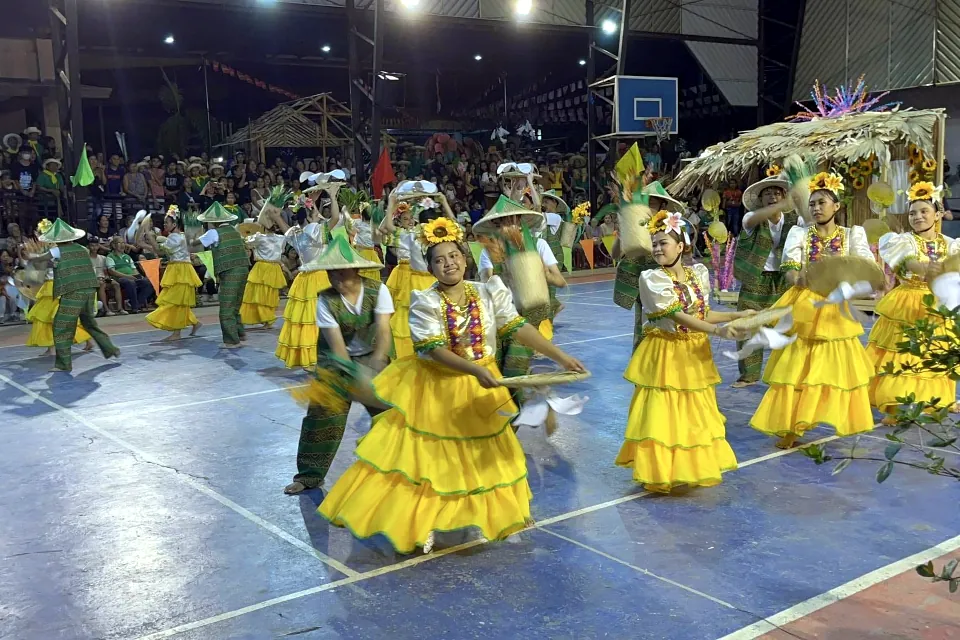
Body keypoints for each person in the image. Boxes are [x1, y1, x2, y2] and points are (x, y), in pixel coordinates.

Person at [318, 220, 585, 554]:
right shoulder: (423, 300)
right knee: (431, 463)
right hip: (438, 388)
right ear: (430, 268)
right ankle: (421, 523)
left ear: (465, 258)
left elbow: (517, 328)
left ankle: (485, 517)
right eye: (439, 259)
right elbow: (432, 348)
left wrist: (560, 356)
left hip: (480, 385)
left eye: (454, 255)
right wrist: (473, 369)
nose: (449, 263)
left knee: (484, 456)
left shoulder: (489, 290)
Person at [616, 211, 752, 491]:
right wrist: (716, 331)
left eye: (662, 243)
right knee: (663, 414)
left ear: (681, 247)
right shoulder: (651, 279)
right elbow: (677, 315)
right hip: (666, 352)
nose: (656, 249)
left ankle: (691, 467)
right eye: (654, 244)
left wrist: (735, 316)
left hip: (694, 351)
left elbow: (703, 313)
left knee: (693, 412)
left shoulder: (697, 275)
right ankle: (661, 470)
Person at [749, 172, 877, 449]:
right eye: (813, 204)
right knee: (796, 368)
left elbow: (864, 270)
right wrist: (803, 278)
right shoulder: (800, 234)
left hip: (835, 308)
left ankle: (831, 416)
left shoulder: (852, 236)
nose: (816, 208)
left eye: (822, 202)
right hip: (805, 303)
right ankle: (791, 426)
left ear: (837, 206)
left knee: (833, 369)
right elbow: (790, 272)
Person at [284, 236, 394, 495]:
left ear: (357, 271)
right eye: (332, 275)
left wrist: (376, 368)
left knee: (391, 414)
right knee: (322, 417)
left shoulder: (379, 290)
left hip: (375, 356)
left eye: (343, 273)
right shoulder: (325, 300)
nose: (337, 280)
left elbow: (384, 333)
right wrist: (356, 379)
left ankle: (397, 469)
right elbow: (339, 351)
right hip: (336, 362)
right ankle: (309, 475)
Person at [866, 181, 960, 421]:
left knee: (934, 353)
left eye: (924, 211)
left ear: (938, 214)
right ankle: (894, 403)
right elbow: (907, 263)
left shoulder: (951, 244)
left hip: (937, 305)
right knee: (901, 354)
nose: (917, 217)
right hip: (907, 302)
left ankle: (936, 400)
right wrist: (927, 268)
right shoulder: (901, 241)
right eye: (912, 213)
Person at [731, 174, 803, 388]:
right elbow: (756, 218)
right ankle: (748, 375)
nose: (773, 197)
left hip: (785, 278)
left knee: (789, 325)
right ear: (761, 201)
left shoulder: (794, 221)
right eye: (768, 194)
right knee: (749, 324)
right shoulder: (750, 218)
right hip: (755, 277)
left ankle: (788, 373)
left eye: (777, 193)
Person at [23, 219, 120, 371]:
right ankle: (110, 348)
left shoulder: (58, 250)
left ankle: (64, 364)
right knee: (89, 323)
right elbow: (64, 264)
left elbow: (42, 259)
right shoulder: (82, 249)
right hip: (89, 290)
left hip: (73, 292)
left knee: (61, 326)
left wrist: (30, 257)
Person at [379, 186, 458, 358]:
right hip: (437, 280)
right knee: (442, 317)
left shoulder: (411, 236)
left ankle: (412, 354)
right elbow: (455, 223)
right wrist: (444, 202)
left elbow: (387, 227)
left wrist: (392, 204)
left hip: (416, 282)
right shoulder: (441, 235)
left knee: (413, 318)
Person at [612, 180, 686, 350]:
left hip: (666, 283)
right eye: (645, 203)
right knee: (643, 324)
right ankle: (642, 362)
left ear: (662, 206)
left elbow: (681, 255)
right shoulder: (633, 228)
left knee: (669, 323)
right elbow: (615, 255)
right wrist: (622, 234)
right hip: (641, 284)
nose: (648, 207)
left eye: (652, 203)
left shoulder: (671, 229)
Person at [276, 183, 341, 367]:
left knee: (305, 319)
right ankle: (321, 354)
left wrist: (312, 202)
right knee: (319, 318)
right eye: (315, 212)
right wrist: (333, 195)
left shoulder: (296, 233)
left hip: (303, 280)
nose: (320, 216)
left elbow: (278, 220)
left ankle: (306, 357)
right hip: (320, 277)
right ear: (311, 215)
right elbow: (335, 217)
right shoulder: (316, 231)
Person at [192, 202, 250, 348]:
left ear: (213, 221)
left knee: (226, 308)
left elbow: (194, 243)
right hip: (243, 269)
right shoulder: (234, 230)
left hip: (230, 271)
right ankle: (240, 333)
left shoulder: (213, 233)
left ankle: (232, 341)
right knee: (235, 304)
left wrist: (193, 234)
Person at [145, 206, 202, 340]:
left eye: (167, 223)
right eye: (164, 222)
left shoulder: (175, 238)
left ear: (175, 224)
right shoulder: (178, 236)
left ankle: (177, 333)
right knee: (179, 300)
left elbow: (159, 250)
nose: (165, 225)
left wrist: (148, 234)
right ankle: (195, 323)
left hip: (180, 271)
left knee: (176, 301)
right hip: (179, 269)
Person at [240, 213, 289, 329]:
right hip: (275, 268)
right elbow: (281, 251)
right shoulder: (282, 238)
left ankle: (267, 319)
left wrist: (247, 234)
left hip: (262, 267)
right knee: (269, 295)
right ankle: (266, 319)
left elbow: (247, 244)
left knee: (256, 294)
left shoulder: (259, 237)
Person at [105, 235, 155, 313]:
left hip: (131, 277)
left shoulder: (127, 256)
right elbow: (112, 271)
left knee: (148, 282)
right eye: (119, 243)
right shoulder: (110, 257)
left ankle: (135, 303)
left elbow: (134, 269)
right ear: (114, 245)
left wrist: (139, 277)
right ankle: (135, 307)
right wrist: (128, 276)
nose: (122, 245)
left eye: (123, 243)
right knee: (130, 282)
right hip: (119, 278)